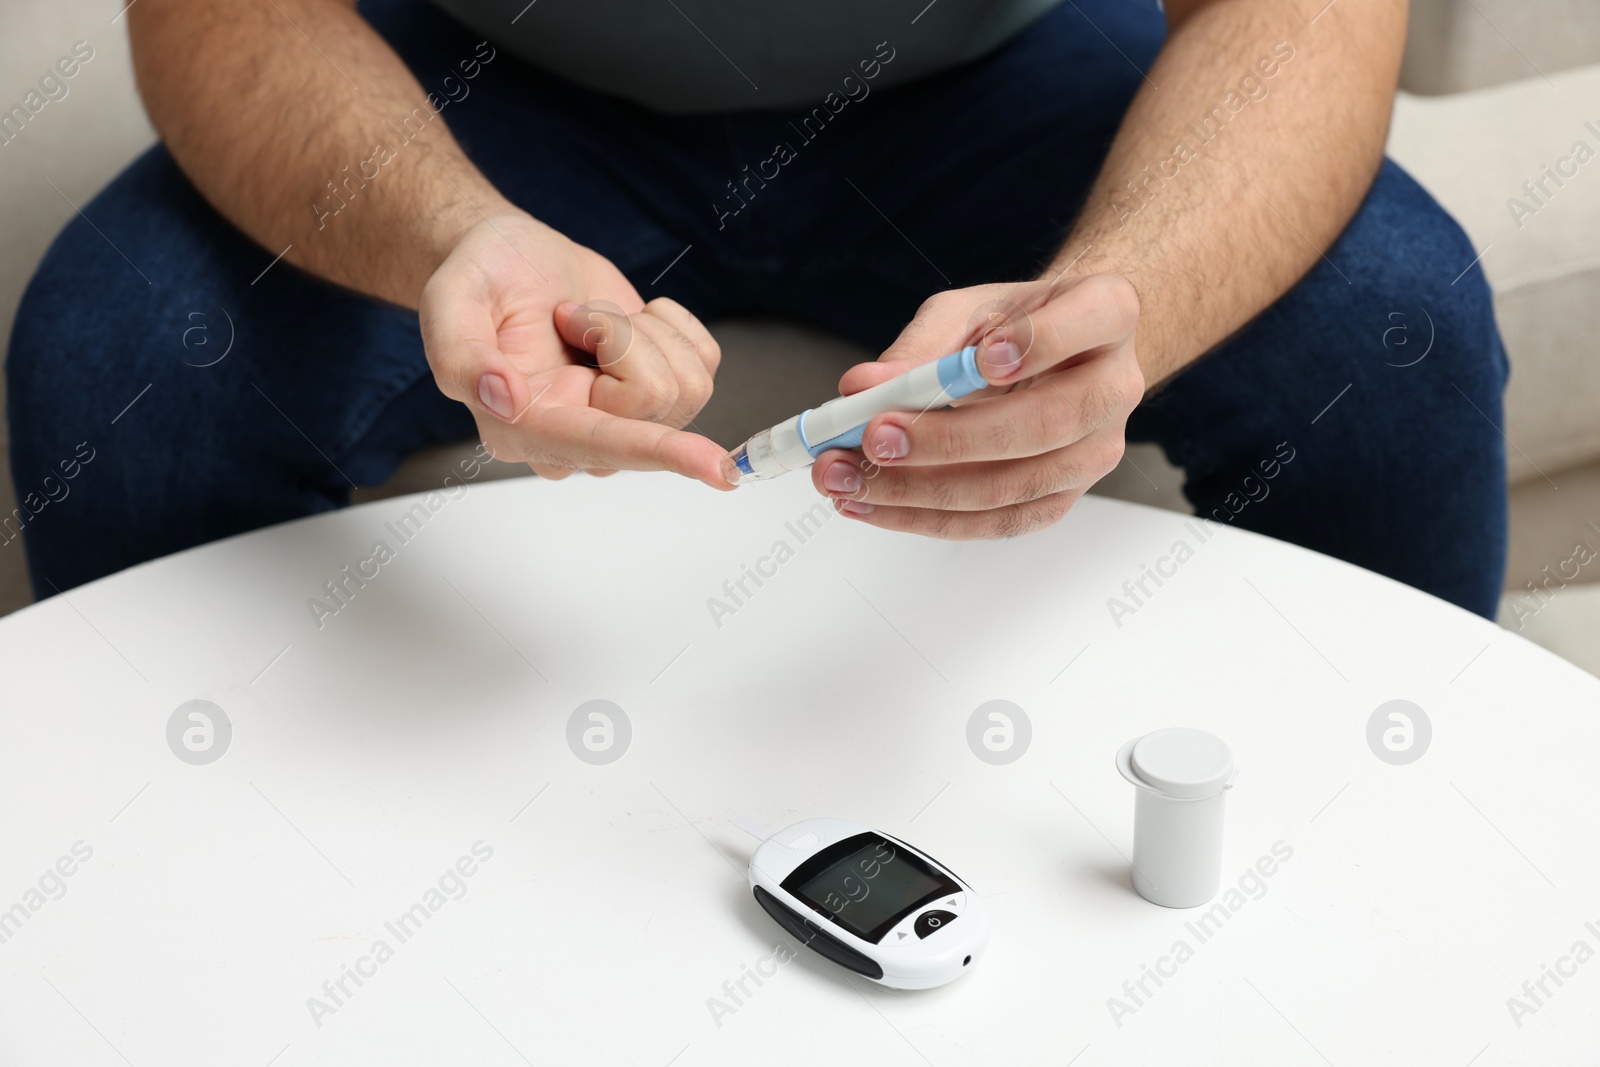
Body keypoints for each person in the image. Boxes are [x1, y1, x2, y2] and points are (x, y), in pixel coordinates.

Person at [7, 0, 1508, 617]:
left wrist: (1129, 299)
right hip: (485, 82)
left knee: (1402, 336)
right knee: (118, 368)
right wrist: (451, 235)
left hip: (988, 69)